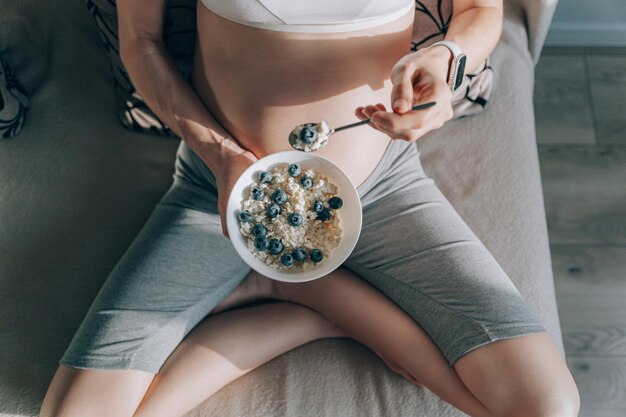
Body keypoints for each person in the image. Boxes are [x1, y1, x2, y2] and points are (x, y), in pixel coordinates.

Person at [40, 0, 580, 416]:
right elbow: (141, 42)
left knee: (547, 404)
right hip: (220, 193)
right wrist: (223, 158)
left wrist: (447, 58)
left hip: (382, 189)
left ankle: (297, 288)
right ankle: (302, 297)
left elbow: (480, 12)